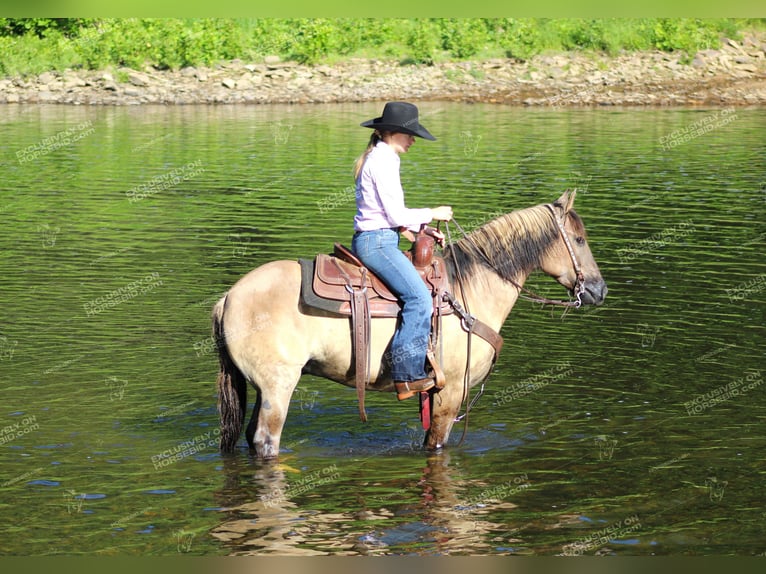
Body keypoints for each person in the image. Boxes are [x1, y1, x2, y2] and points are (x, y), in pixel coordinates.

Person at [351, 101, 453, 401]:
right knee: (420, 299)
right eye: (410, 135)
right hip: (377, 244)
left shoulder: (380, 157)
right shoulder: (383, 162)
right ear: (392, 133)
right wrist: (433, 212)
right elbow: (395, 215)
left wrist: (419, 232)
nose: (413, 141)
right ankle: (407, 376)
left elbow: (385, 217)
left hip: (380, 238)